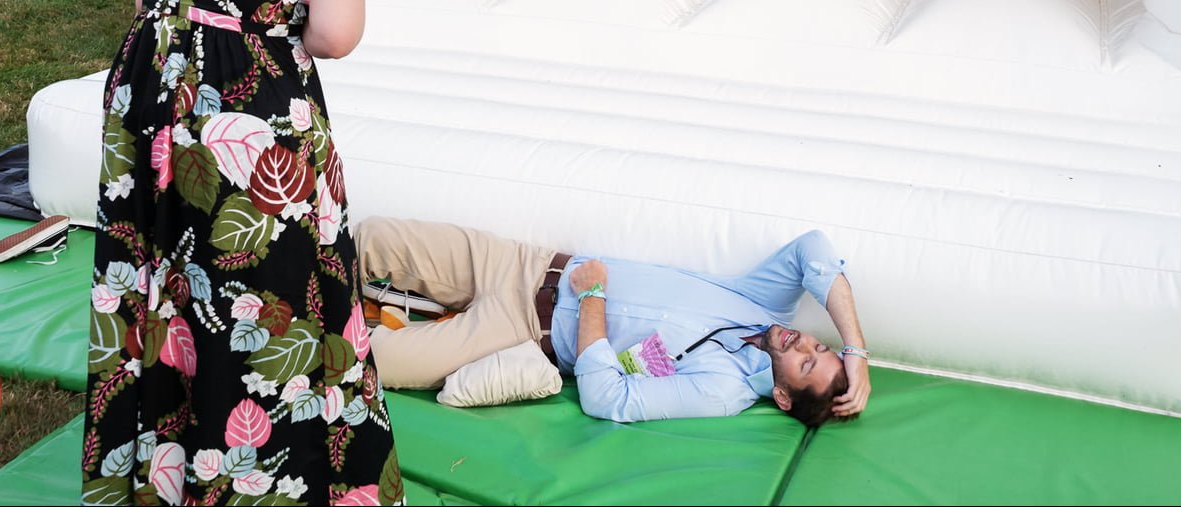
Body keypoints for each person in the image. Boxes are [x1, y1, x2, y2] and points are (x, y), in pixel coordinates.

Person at [83, 0, 402, 506]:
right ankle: (267, 481)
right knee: (267, 296)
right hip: (249, 114)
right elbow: (335, 33)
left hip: (151, 104)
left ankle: (161, 473)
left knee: (163, 289)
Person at [356, 217, 871, 427]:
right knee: (372, 238)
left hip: (521, 332)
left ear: (783, 396)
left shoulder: (721, 391)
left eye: (806, 364)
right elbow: (814, 248)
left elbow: (609, 400)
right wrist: (855, 351)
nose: (805, 344)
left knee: (370, 361)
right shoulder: (765, 307)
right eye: (820, 348)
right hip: (526, 263)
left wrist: (594, 299)